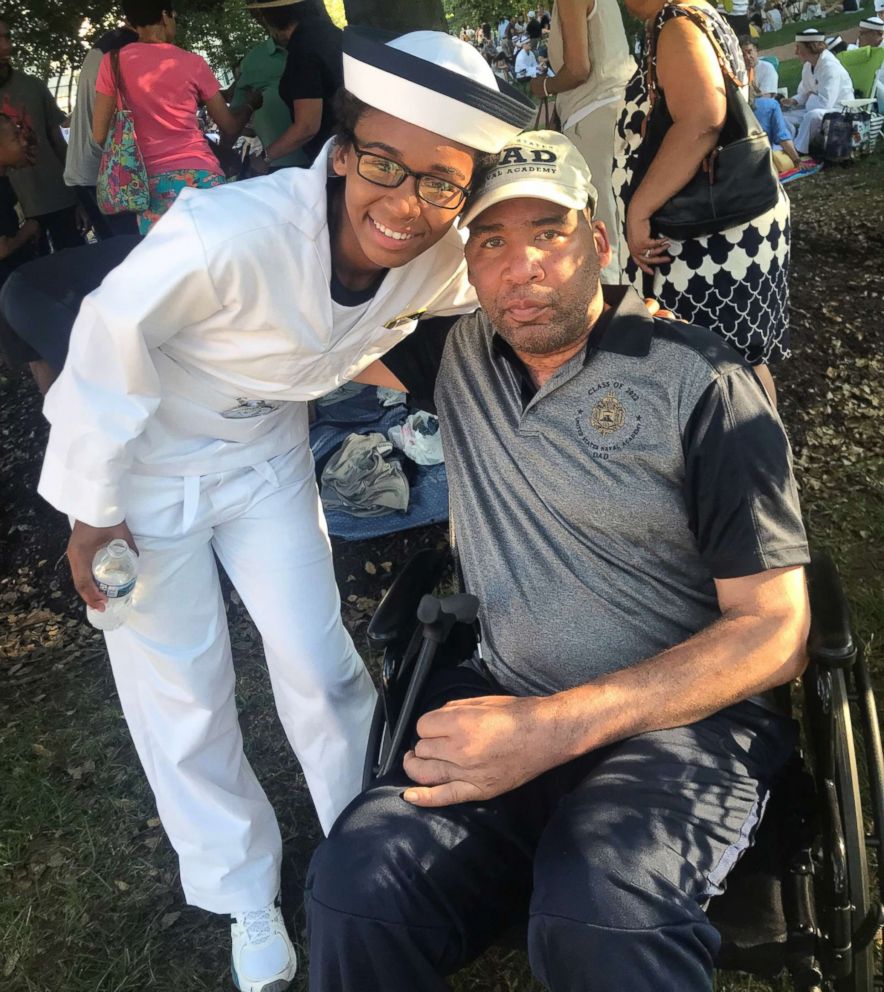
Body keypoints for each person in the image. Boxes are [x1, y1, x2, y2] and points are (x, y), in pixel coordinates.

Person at [38, 28, 533, 992]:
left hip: (266, 457)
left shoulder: (434, 255)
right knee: (181, 694)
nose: (408, 201)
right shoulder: (229, 232)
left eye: (443, 182)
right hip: (146, 468)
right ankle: (242, 893)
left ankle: (368, 851)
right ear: (341, 152)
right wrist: (90, 513)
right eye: (385, 161)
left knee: (318, 660)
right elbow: (107, 332)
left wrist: (626, 318)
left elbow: (515, 294)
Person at [305, 128, 810, 992]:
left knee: (599, 911)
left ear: (601, 241)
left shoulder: (702, 383)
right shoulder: (455, 353)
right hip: (505, 691)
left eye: (550, 232)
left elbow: (777, 631)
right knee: (355, 888)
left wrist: (557, 727)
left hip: (683, 725)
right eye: (492, 242)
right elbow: (312, 312)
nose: (521, 266)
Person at [612, 0, 791, 403]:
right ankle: (760, 458)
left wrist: (638, 210)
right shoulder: (697, 14)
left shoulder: (676, 25)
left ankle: (747, 460)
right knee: (741, 362)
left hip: (709, 236)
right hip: (727, 224)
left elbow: (702, 119)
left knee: (718, 366)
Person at [92, 0, 259, 233]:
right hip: (202, 174)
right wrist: (251, 105)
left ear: (130, 22)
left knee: (169, 263)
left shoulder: (112, 63)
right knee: (217, 254)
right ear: (165, 15)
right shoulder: (193, 63)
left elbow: (99, 135)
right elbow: (229, 127)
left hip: (149, 186)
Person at [539, 0, 635, 282]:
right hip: (614, 108)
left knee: (603, 225)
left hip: (594, 115)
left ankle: (617, 315)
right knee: (620, 219)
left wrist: (542, 86)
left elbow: (578, 70)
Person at [0, 16, 85, 254]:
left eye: (7, 37)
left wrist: (78, 193)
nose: (7, 46)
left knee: (77, 270)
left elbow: (57, 138)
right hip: (13, 216)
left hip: (58, 199)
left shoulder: (32, 85)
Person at [64, 22, 140, 239]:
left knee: (118, 248)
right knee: (127, 248)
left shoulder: (108, 43)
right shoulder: (123, 50)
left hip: (89, 169)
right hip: (103, 172)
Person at [229, 1, 309, 172]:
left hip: (326, 162)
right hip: (279, 167)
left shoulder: (319, 46)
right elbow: (237, 113)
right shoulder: (254, 59)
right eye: (271, 12)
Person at [262, 0, 343, 167]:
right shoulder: (334, 34)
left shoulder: (302, 50)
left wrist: (264, 158)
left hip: (332, 158)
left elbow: (307, 126)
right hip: (354, 144)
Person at [781, 28, 854, 155]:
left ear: (811, 48)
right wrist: (794, 100)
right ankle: (789, 143)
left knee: (812, 116)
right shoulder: (808, 65)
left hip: (840, 110)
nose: (796, 52)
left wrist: (809, 96)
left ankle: (798, 151)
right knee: (783, 116)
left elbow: (825, 104)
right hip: (816, 107)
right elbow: (805, 92)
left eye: (799, 48)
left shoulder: (830, 67)